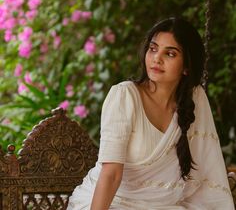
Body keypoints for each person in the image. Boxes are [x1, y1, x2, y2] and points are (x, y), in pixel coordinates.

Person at [67, 17, 234, 209]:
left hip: (163, 205)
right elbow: (111, 174)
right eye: (153, 49)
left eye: (170, 53)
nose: (157, 58)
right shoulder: (125, 96)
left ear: (187, 66)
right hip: (113, 203)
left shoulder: (195, 98)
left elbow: (207, 174)